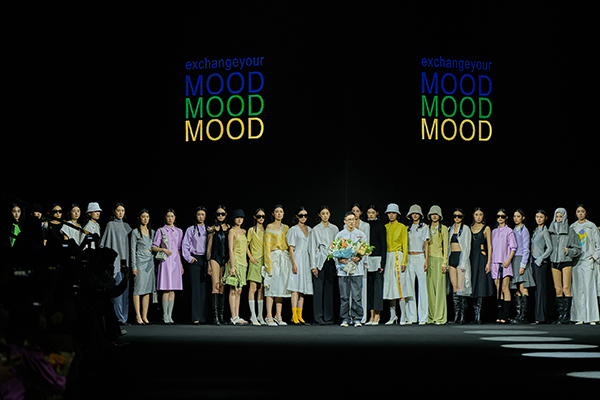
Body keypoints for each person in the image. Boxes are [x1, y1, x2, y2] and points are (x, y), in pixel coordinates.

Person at [100, 202, 132, 325]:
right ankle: (118, 317)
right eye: (118, 210)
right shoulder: (110, 225)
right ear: (114, 212)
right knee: (117, 291)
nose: (120, 213)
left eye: (122, 210)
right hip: (116, 262)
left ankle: (124, 317)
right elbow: (105, 243)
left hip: (125, 261)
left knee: (125, 291)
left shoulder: (127, 226)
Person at [548, 207, 581, 324]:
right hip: (554, 262)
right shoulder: (551, 230)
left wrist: (568, 251)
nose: (558, 219)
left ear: (564, 217)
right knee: (558, 290)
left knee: (566, 289)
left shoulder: (570, 231)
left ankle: (566, 316)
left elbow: (577, 249)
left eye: (560, 217)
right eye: (556, 216)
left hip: (566, 261)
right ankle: (560, 315)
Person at [334, 212, 367, 327]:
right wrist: (339, 259)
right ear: (345, 221)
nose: (351, 222)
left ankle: (357, 318)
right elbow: (335, 250)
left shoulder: (361, 234)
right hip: (343, 270)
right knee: (344, 296)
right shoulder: (340, 235)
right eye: (349, 220)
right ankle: (345, 318)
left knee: (357, 296)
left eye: (353, 219)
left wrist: (359, 257)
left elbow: (365, 250)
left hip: (357, 269)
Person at [152, 209, 184, 325]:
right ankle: (165, 315)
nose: (170, 218)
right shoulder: (161, 230)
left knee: (173, 289)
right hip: (165, 262)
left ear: (175, 218)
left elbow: (179, 248)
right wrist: (163, 249)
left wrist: (181, 264)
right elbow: (154, 247)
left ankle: (170, 315)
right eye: (168, 216)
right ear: (165, 218)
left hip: (175, 262)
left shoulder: (179, 231)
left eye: (172, 216)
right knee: (166, 288)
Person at [309, 205, 339, 325]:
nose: (325, 216)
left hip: (331, 260)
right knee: (318, 289)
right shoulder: (315, 229)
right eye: (323, 213)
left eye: (327, 213)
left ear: (329, 214)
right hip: (320, 260)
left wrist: (337, 264)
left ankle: (328, 317)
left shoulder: (334, 229)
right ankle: (318, 317)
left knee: (329, 289)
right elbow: (312, 248)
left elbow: (337, 246)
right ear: (319, 215)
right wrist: (313, 266)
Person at [569, 205, 600, 325]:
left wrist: (594, 257)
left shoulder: (591, 226)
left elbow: (598, 244)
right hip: (577, 261)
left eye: (582, 211)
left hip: (588, 260)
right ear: (576, 213)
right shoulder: (572, 227)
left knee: (589, 289)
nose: (580, 213)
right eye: (578, 211)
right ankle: (579, 317)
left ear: (586, 213)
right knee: (578, 290)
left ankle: (592, 317)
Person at [262, 205, 292, 326]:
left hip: (284, 258)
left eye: (281, 211)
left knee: (281, 288)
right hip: (273, 257)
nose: (279, 214)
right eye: (277, 212)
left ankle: (278, 315)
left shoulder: (286, 227)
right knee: (271, 288)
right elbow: (266, 246)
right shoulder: (269, 227)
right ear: (273, 214)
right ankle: (268, 315)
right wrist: (268, 264)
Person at [382, 203, 410, 325]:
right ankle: (393, 316)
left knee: (400, 285)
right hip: (388, 256)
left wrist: (404, 261)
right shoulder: (385, 227)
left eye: (393, 213)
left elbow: (405, 244)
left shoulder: (402, 227)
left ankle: (403, 315)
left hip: (398, 255)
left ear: (397, 214)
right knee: (390, 286)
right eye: (389, 213)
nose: (391, 215)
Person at [182, 206, 210, 325]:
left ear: (205, 216)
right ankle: (196, 317)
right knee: (195, 289)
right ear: (195, 215)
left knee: (204, 289)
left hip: (206, 260)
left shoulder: (209, 229)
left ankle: (204, 317)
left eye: (202, 214)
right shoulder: (191, 229)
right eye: (199, 214)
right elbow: (185, 245)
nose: (200, 217)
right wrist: (189, 258)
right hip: (195, 258)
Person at [286, 207, 313, 325]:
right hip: (297, 258)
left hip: (306, 259)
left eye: (305, 215)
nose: (303, 218)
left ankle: (300, 315)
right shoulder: (293, 230)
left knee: (303, 290)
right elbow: (291, 247)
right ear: (297, 216)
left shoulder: (310, 230)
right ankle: (294, 316)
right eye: (301, 215)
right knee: (295, 288)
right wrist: (293, 263)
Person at [490, 209, 517, 323]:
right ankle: (500, 315)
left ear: (506, 217)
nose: (500, 218)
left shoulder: (509, 231)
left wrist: (508, 261)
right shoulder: (494, 231)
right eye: (498, 216)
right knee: (498, 289)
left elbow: (513, 248)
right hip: (494, 263)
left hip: (504, 263)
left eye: (502, 216)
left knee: (505, 288)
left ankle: (506, 315)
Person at [405, 205, 430, 325]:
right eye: (413, 213)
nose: (415, 215)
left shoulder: (424, 227)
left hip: (420, 257)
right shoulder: (407, 228)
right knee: (409, 288)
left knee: (422, 288)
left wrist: (426, 260)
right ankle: (411, 317)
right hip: (409, 257)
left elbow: (426, 244)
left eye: (417, 213)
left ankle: (423, 317)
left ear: (420, 215)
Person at [224, 209, 249, 325]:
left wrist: (247, 260)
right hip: (235, 262)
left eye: (241, 217)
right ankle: (233, 316)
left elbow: (245, 248)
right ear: (234, 219)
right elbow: (230, 249)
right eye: (237, 217)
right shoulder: (232, 231)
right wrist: (232, 266)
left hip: (243, 263)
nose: (239, 219)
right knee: (233, 290)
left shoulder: (244, 231)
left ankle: (237, 315)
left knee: (239, 291)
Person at [447, 208, 472, 324]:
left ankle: (463, 315)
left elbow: (467, 246)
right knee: (455, 287)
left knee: (461, 288)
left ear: (463, 217)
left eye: (459, 216)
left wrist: (464, 262)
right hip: (451, 257)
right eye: (455, 216)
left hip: (460, 257)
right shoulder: (450, 229)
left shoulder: (465, 229)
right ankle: (456, 315)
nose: (457, 218)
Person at [130, 209, 156, 325]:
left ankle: (145, 315)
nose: (145, 219)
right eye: (143, 216)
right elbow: (132, 250)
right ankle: (138, 315)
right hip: (140, 262)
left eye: (147, 217)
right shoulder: (135, 232)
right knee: (138, 289)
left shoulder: (152, 232)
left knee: (147, 290)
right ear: (139, 218)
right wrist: (133, 266)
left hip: (150, 262)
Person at [510, 209, 535, 324]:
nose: (516, 218)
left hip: (521, 259)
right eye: (515, 216)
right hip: (514, 259)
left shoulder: (524, 230)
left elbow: (526, 249)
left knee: (523, 287)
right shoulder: (513, 230)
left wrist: (523, 265)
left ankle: (524, 316)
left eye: (518, 216)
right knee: (516, 288)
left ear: (523, 218)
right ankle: (518, 314)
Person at [206, 206, 230, 325]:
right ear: (215, 215)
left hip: (225, 259)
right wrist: (208, 263)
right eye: (218, 214)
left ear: (226, 215)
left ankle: (221, 316)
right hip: (215, 258)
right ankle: (215, 316)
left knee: (222, 287)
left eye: (223, 214)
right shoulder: (212, 229)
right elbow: (209, 247)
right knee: (215, 286)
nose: (220, 216)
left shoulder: (229, 228)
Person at [470, 207, 493, 324]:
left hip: (481, 257)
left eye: (480, 214)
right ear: (473, 216)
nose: (478, 217)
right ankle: (474, 316)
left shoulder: (486, 228)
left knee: (481, 285)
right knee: (472, 285)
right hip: (471, 258)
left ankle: (479, 316)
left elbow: (490, 246)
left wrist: (488, 263)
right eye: (476, 214)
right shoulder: (469, 228)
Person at [365, 204, 387, 325]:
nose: (371, 215)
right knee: (369, 289)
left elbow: (384, 245)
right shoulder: (365, 225)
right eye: (369, 212)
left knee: (378, 288)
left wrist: (383, 263)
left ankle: (377, 315)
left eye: (373, 212)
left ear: (377, 213)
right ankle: (371, 315)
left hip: (378, 259)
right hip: (368, 259)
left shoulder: (380, 226)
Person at [530, 209, 553, 324]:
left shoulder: (545, 231)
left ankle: (541, 317)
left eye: (541, 217)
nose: (539, 219)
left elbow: (550, 248)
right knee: (536, 290)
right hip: (533, 262)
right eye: (537, 217)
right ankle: (537, 316)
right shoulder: (536, 230)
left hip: (540, 263)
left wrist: (540, 259)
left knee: (540, 290)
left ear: (545, 218)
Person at [427, 205, 448, 325]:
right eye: (432, 214)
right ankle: (431, 316)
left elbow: (446, 247)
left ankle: (439, 317)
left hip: (439, 259)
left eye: (436, 214)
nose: (434, 216)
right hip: (428, 260)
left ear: (440, 216)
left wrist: (444, 262)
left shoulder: (443, 228)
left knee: (440, 289)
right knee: (430, 289)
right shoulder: (426, 228)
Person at [247, 208, 267, 326]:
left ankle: (260, 315)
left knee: (261, 288)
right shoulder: (251, 230)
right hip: (255, 260)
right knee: (253, 288)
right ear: (255, 217)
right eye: (259, 216)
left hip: (264, 261)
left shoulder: (266, 230)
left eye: (263, 216)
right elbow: (246, 245)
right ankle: (253, 315)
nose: (261, 218)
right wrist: (251, 258)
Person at [351, 203, 370, 324]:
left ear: (361, 213)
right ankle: (350, 316)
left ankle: (361, 316)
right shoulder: (347, 224)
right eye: (353, 211)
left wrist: (363, 259)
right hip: (350, 260)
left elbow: (366, 243)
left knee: (361, 289)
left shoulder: (365, 226)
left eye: (357, 211)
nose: (355, 213)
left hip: (361, 259)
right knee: (350, 289)